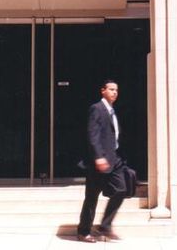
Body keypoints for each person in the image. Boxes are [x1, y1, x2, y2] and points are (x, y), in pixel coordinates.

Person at [77, 79, 126, 243]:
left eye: (116, 90)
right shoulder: (97, 109)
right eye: (111, 89)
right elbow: (93, 135)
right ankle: (83, 232)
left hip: (114, 159)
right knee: (92, 197)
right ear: (103, 90)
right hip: (98, 161)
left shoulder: (112, 110)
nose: (115, 92)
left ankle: (105, 226)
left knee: (121, 189)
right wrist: (98, 157)